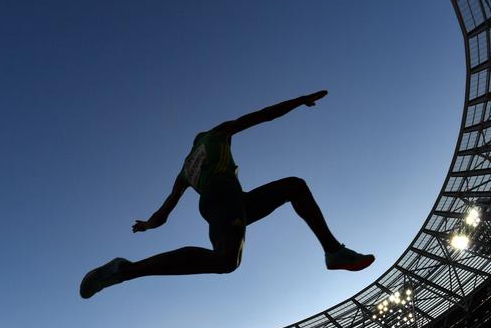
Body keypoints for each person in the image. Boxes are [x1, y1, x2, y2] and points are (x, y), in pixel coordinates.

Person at [79, 90, 375, 299]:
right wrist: (299, 101)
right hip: (224, 198)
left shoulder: (184, 170)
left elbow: (164, 214)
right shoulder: (216, 135)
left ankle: (334, 251)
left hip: (228, 203)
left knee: (293, 186)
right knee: (226, 261)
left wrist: (146, 225)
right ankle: (127, 270)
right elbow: (261, 116)